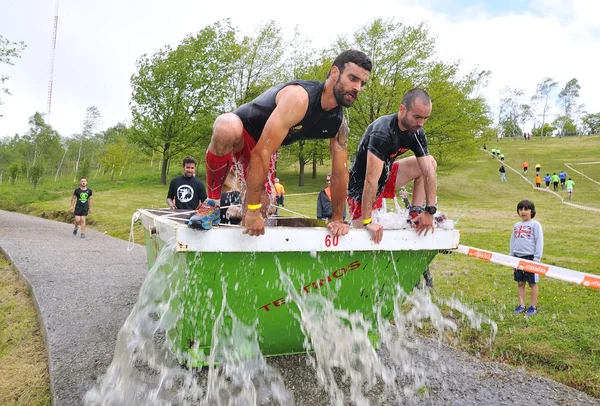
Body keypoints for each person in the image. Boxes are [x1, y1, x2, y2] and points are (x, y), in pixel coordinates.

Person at [194, 50, 372, 236]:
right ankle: (212, 203)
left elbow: (339, 173)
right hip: (243, 132)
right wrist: (253, 209)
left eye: (362, 83)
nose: (358, 88)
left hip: (266, 148)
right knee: (225, 127)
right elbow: (260, 152)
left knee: (258, 216)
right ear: (335, 73)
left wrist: (337, 218)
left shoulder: (339, 123)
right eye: (353, 79)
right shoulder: (300, 98)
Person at [347, 88, 439, 243]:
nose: (420, 123)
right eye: (416, 117)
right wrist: (368, 221)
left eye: (425, 118)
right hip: (362, 187)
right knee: (364, 238)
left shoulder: (417, 132)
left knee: (430, 162)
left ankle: (414, 213)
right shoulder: (382, 132)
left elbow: (428, 172)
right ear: (402, 109)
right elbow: (370, 179)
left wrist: (430, 211)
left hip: (386, 175)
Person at [510, 199, 544, 316]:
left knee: (532, 283)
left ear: (531, 211)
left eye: (526, 209)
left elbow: (539, 241)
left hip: (530, 258)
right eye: (521, 209)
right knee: (520, 283)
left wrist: (537, 258)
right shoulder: (516, 225)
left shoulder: (535, 225)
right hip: (517, 258)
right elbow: (512, 240)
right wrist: (512, 256)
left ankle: (533, 307)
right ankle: (522, 305)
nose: (523, 212)